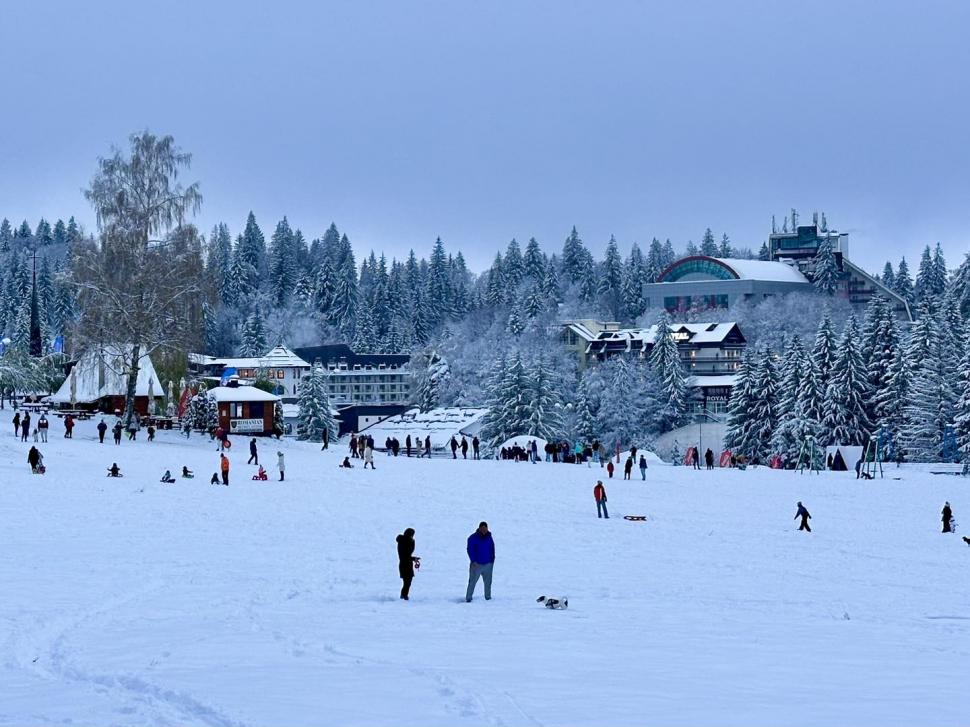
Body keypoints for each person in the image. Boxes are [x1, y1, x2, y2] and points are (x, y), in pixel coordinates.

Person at [465, 522, 495, 602]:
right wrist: (473, 560)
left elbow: (492, 548)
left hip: (488, 564)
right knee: (472, 582)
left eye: (485, 528)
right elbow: (470, 550)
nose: (484, 530)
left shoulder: (489, 537)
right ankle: (468, 598)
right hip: (476, 565)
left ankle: (488, 598)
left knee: (488, 583)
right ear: (479, 528)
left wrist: (492, 560)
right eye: (483, 528)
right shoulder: (473, 538)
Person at [396, 527, 418, 600]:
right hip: (405, 565)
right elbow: (405, 555)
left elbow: (406, 555)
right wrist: (413, 558)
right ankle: (404, 596)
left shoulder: (403, 541)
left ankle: (404, 595)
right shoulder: (405, 542)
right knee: (407, 582)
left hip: (406, 564)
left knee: (407, 582)